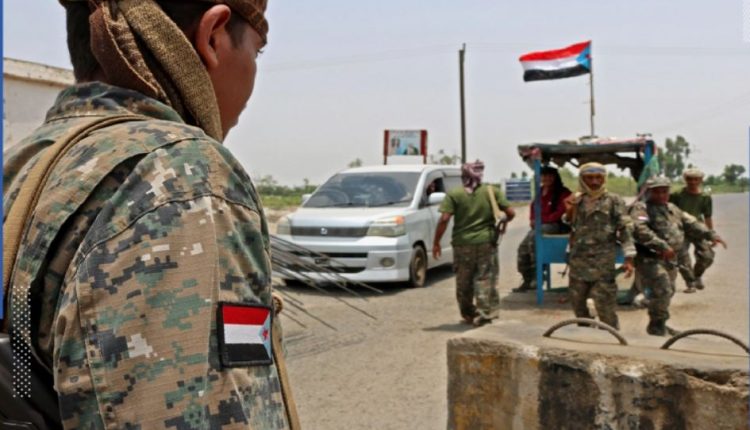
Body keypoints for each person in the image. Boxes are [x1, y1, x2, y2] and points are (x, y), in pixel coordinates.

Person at [2, 1, 297, 428]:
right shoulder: (181, 174)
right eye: (258, 49)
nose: (254, 69)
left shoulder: (25, 163)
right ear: (213, 36)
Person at [631, 177, 726, 336]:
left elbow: (691, 223)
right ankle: (656, 327)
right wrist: (662, 246)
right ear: (648, 192)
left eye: (664, 191)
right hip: (650, 259)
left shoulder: (672, 208)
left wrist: (711, 235)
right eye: (656, 192)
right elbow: (640, 230)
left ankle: (659, 323)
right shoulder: (641, 209)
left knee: (669, 291)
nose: (661, 195)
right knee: (663, 289)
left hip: (670, 259)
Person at [432, 160, 516, 327]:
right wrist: (504, 223)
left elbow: (444, 219)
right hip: (486, 242)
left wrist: (436, 242)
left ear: (463, 175)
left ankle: (469, 313)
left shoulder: (454, 194)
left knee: (463, 280)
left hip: (462, 244)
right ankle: (485, 314)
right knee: (485, 278)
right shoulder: (492, 191)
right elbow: (511, 213)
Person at [562, 163, 635, 330]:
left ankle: (611, 340)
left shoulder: (614, 201)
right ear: (582, 179)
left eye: (598, 178)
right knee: (579, 306)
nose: (594, 182)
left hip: (603, 264)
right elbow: (568, 222)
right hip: (579, 263)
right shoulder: (577, 199)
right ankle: (586, 339)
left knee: (605, 307)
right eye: (589, 178)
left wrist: (629, 257)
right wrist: (571, 208)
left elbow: (625, 229)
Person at [514, 166, 572, 292]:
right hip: (540, 226)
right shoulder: (540, 192)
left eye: (550, 176)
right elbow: (533, 208)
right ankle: (528, 279)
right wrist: (532, 220)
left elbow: (560, 213)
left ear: (555, 177)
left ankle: (538, 275)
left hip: (557, 225)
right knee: (522, 248)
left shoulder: (563, 192)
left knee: (534, 237)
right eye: (544, 176)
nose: (546, 178)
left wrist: (542, 221)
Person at [669, 168, 719, 293]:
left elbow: (707, 217)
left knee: (707, 256)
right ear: (685, 180)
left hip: (698, 229)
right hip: (681, 229)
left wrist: (711, 234)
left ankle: (697, 276)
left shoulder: (705, 197)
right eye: (689, 179)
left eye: (696, 179)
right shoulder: (677, 195)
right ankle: (690, 283)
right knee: (682, 257)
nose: (693, 182)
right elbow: (669, 212)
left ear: (701, 180)